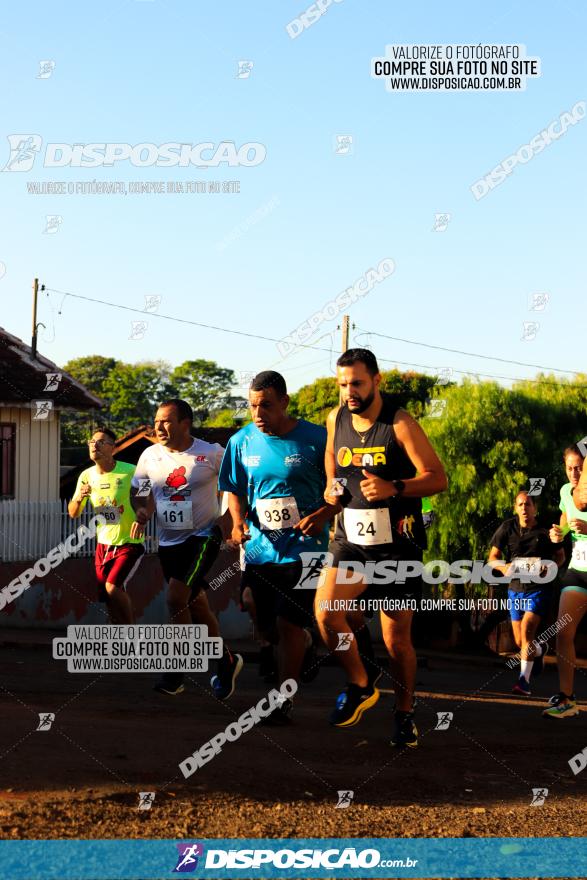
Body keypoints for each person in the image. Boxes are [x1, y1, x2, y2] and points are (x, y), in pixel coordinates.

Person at [315, 349, 447, 747]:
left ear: (376, 380)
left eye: (356, 383)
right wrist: (331, 489)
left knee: (396, 642)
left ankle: (404, 714)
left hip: (396, 549)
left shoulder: (401, 423)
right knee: (326, 614)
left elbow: (438, 478)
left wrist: (396, 488)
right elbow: (331, 462)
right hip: (350, 542)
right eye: (342, 384)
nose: (348, 392)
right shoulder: (335, 417)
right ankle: (360, 683)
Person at [219, 371, 335, 723]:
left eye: (266, 405)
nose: (258, 413)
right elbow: (234, 490)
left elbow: (341, 487)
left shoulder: (317, 439)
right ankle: (299, 643)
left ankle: (282, 699)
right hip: (260, 549)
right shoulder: (241, 442)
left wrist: (325, 513)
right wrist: (237, 522)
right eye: (253, 406)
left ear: (285, 402)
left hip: (308, 550)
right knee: (257, 610)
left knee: (287, 624)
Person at [131, 399, 242, 698]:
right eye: (156, 421)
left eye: (166, 421)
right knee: (195, 602)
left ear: (184, 423)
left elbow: (239, 486)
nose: (158, 427)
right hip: (169, 541)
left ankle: (176, 670)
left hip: (204, 536)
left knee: (175, 597)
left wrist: (229, 520)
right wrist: (142, 510)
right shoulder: (149, 456)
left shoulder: (211, 453)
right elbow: (139, 491)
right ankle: (225, 660)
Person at [487, 490, 564, 695]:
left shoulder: (546, 530)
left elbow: (560, 556)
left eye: (528, 504)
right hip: (515, 589)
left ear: (535, 509)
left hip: (539, 589)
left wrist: (550, 568)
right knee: (521, 642)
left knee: (528, 630)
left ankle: (523, 682)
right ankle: (539, 650)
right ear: (515, 508)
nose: (524, 508)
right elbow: (492, 558)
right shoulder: (507, 528)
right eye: (520, 505)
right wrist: (504, 568)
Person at [68, 428, 144, 624]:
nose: (94, 445)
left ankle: (131, 635)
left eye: (101, 442)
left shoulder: (131, 471)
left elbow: (148, 496)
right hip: (103, 544)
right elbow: (73, 513)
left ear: (113, 448)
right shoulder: (86, 475)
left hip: (129, 541)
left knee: (113, 588)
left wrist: (143, 515)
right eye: (92, 442)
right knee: (108, 598)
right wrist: (80, 497)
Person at [543, 444, 587, 719]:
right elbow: (564, 520)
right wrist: (557, 534)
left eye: (580, 468)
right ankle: (568, 700)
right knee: (563, 632)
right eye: (570, 467)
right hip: (578, 569)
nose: (574, 472)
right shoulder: (563, 491)